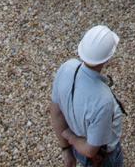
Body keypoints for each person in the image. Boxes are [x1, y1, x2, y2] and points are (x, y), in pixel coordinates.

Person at [50, 25, 125, 167]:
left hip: (78, 149)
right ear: (107, 59)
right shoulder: (103, 101)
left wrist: (66, 149)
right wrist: (71, 138)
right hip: (102, 159)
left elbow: (56, 113)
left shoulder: (67, 67)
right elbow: (90, 150)